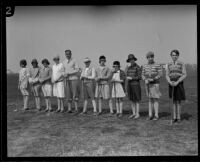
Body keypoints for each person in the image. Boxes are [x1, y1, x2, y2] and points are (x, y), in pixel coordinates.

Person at [166, 49, 187, 123]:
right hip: (171, 83)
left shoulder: (182, 63)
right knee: (174, 101)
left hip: (179, 83)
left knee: (178, 101)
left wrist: (178, 81)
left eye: (175, 55)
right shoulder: (168, 64)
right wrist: (170, 81)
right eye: (173, 55)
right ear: (171, 56)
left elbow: (184, 74)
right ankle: (174, 117)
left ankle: (178, 117)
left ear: (178, 56)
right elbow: (167, 75)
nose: (174, 56)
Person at [142, 51, 163, 120]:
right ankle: (150, 115)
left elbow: (160, 74)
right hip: (147, 84)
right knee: (150, 99)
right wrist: (145, 79)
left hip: (155, 84)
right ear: (147, 58)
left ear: (153, 57)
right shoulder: (144, 65)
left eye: (151, 57)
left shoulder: (157, 64)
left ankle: (156, 115)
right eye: (148, 57)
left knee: (155, 99)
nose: (150, 58)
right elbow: (142, 74)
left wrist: (153, 79)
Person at [125, 54, 142, 119]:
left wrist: (131, 78)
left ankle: (137, 114)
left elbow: (139, 77)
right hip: (130, 85)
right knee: (131, 100)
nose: (131, 61)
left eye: (132, 59)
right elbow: (126, 75)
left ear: (134, 60)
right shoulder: (128, 67)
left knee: (137, 100)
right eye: (130, 60)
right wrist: (126, 69)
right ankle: (133, 113)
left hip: (136, 85)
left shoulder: (138, 67)